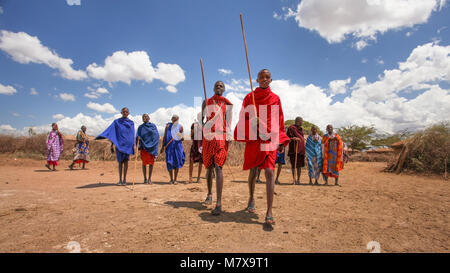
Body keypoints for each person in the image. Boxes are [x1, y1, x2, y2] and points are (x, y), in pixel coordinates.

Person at [233, 69, 290, 226]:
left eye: (267, 77)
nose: (264, 79)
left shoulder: (276, 99)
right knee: (253, 170)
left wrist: (280, 140)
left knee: (270, 171)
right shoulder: (249, 97)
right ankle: (251, 197)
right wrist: (252, 120)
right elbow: (242, 117)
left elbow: (279, 120)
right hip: (255, 139)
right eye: (261, 77)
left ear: (271, 80)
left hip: (270, 138)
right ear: (257, 80)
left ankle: (269, 211)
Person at [202, 81, 233, 215]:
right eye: (217, 86)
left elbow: (229, 122)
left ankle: (218, 203)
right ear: (213, 88)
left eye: (221, 86)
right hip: (208, 136)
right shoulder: (206, 101)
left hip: (221, 137)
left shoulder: (228, 104)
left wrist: (229, 134)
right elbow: (202, 119)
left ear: (224, 89)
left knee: (218, 166)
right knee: (209, 166)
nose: (219, 87)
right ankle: (209, 193)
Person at [96, 107, 135, 186]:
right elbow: (112, 133)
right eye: (123, 112)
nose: (125, 113)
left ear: (128, 113)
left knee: (126, 162)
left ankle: (124, 180)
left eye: (126, 112)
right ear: (121, 112)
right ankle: (120, 180)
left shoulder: (131, 123)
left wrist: (132, 144)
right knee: (120, 162)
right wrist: (112, 145)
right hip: (119, 144)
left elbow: (131, 134)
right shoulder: (116, 122)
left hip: (127, 145)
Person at [160, 115, 185, 184]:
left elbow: (182, 139)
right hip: (169, 147)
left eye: (176, 120)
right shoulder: (168, 126)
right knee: (169, 162)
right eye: (174, 119)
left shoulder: (180, 127)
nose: (175, 121)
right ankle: (171, 179)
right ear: (172, 120)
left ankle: (175, 179)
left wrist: (179, 135)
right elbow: (165, 136)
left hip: (177, 147)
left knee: (177, 161)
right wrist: (162, 146)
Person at [137, 114, 159, 184]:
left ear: (149, 118)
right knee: (144, 163)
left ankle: (149, 178)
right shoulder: (140, 127)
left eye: (146, 117)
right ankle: (145, 178)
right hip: (144, 147)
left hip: (152, 147)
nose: (145, 118)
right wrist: (138, 138)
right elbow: (138, 135)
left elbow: (156, 135)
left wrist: (154, 144)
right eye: (143, 117)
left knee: (151, 163)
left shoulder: (153, 126)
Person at [287, 117, 306, 185]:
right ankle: (294, 179)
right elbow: (287, 137)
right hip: (294, 150)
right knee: (294, 165)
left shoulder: (301, 129)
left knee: (299, 166)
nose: (302, 123)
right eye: (301, 121)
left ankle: (298, 179)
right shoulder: (291, 128)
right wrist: (294, 138)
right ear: (298, 121)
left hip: (300, 150)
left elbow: (302, 137)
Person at [189, 113, 203, 183]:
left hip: (201, 146)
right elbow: (191, 135)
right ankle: (190, 177)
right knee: (191, 161)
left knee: (200, 162)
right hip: (194, 145)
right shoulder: (194, 125)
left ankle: (198, 178)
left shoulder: (205, 125)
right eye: (200, 117)